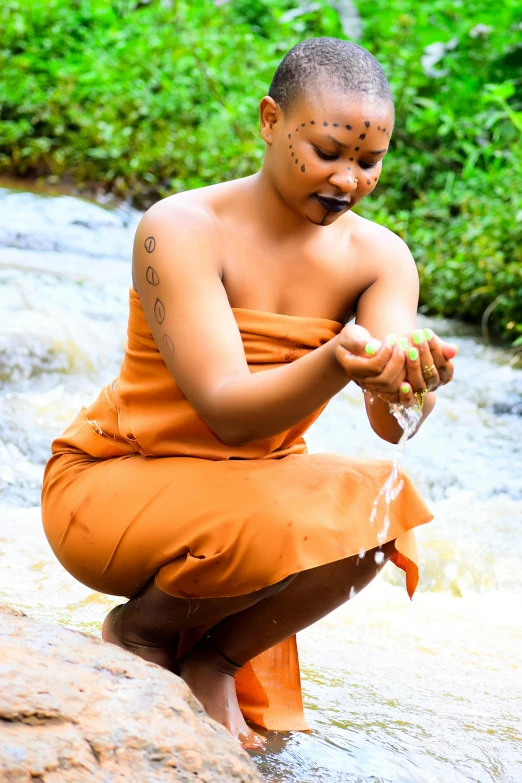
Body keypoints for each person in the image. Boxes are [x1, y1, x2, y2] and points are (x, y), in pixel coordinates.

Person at [41, 37, 457, 748]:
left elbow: (389, 424)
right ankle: (140, 633)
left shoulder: (380, 258)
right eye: (328, 151)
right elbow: (228, 413)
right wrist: (334, 361)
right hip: (114, 486)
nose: (349, 179)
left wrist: (412, 387)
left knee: (386, 505)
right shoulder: (179, 229)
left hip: (249, 495)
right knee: (285, 503)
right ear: (270, 120)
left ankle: (215, 656)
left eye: (369, 160)